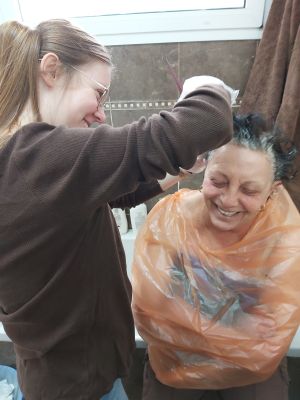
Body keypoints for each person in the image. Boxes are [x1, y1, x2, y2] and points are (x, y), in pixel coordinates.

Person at [0, 18, 234, 400]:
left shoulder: (19, 160)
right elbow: (207, 120)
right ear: (51, 70)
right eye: (99, 93)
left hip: (56, 378)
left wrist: (177, 171)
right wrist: (206, 87)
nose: (100, 113)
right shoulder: (39, 155)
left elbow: (108, 194)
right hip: (81, 388)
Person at [132, 113, 300, 400]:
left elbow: (267, 343)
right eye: (218, 181)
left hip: (251, 374)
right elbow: (149, 312)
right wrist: (235, 325)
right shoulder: (171, 219)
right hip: (176, 366)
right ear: (204, 169)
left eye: (249, 190)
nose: (229, 200)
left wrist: (183, 316)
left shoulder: (284, 236)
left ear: (272, 192)